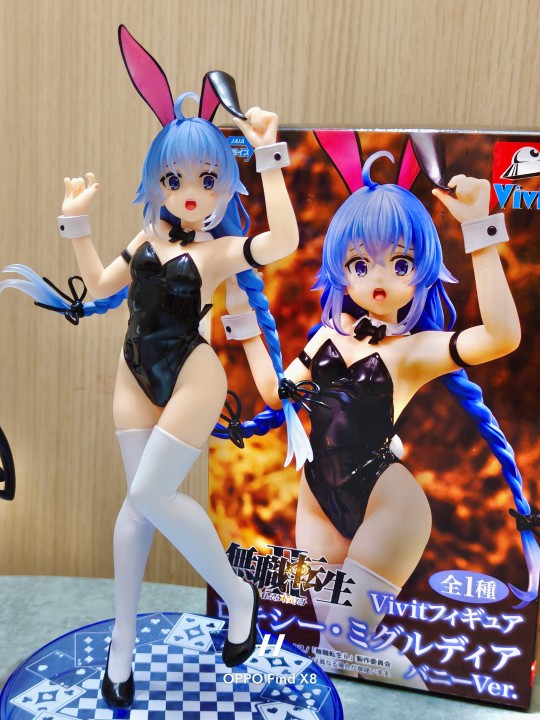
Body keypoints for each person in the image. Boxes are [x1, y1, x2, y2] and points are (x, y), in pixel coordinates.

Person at [0, 27, 306, 708]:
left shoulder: (218, 252)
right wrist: (75, 225)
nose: (190, 193)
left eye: (206, 179)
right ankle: (123, 644)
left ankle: (236, 595)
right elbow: (101, 286)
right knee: (136, 508)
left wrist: (267, 155)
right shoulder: (144, 236)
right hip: (132, 373)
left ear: (222, 184)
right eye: (174, 180)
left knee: (147, 496)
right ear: (157, 182)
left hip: (193, 373)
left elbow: (283, 240)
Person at [223, 150, 539, 687]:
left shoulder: (414, 350)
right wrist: (244, 323)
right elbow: (276, 395)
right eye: (359, 264)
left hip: (387, 502)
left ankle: (426, 688)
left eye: (400, 264)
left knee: (346, 640)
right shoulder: (326, 337)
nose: (378, 278)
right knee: (337, 645)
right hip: (318, 499)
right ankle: (396, 693)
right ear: (341, 269)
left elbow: (501, 338)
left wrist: (480, 231)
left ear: (421, 271)